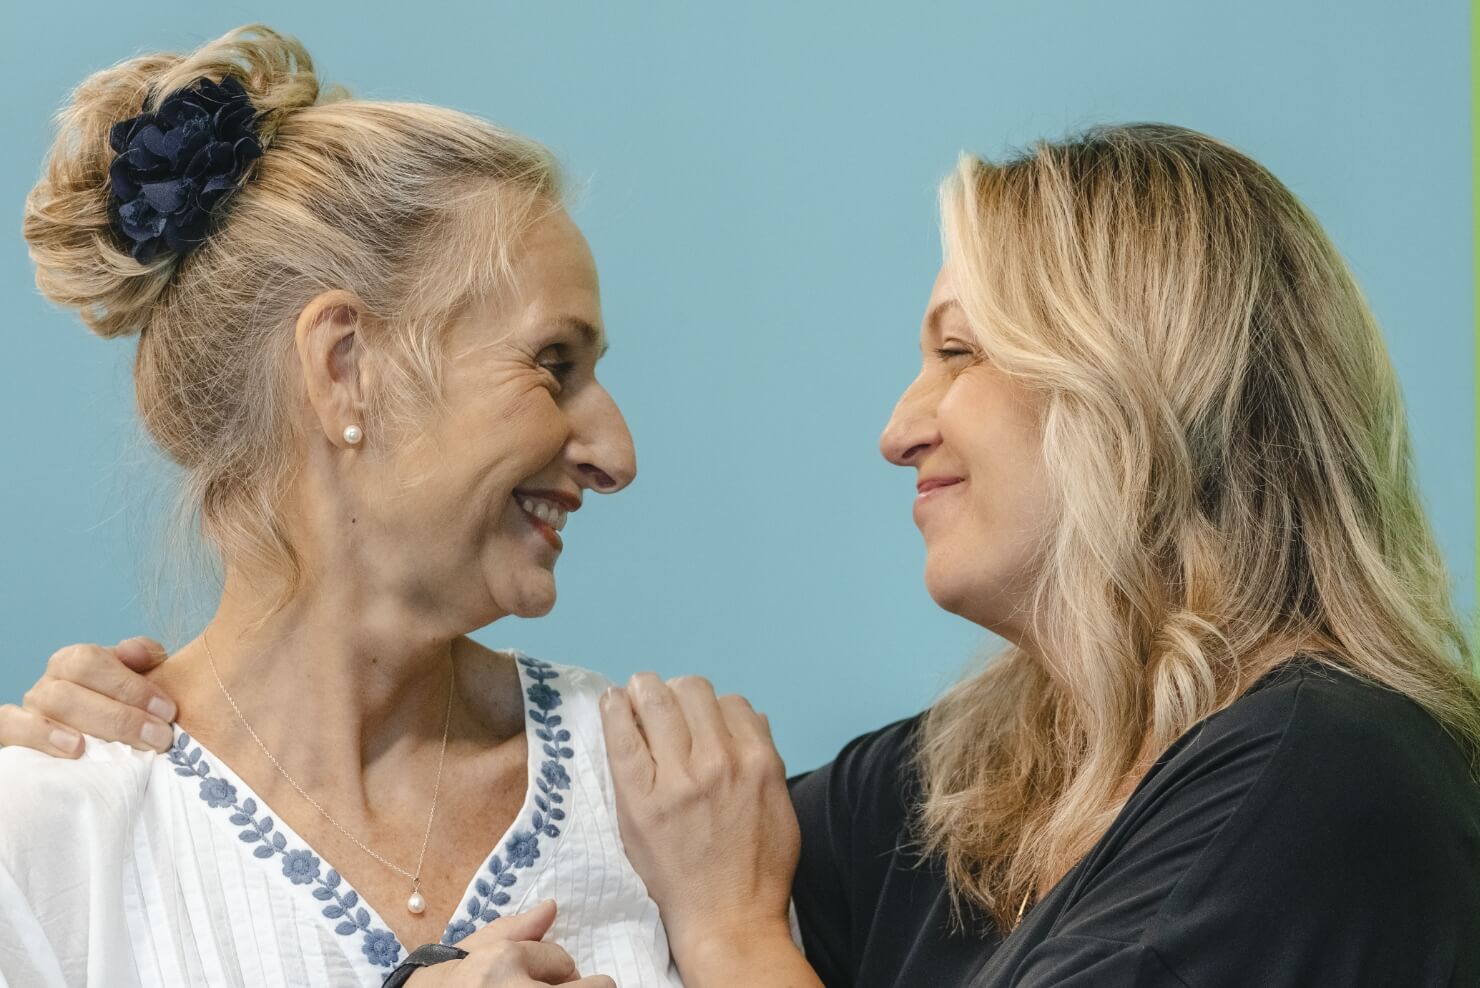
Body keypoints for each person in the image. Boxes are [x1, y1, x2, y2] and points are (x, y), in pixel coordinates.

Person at [10, 118, 1480, 988]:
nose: (898, 427)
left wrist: (728, 937)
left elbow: (731, 890)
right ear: (343, 370)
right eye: (554, 364)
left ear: (1138, 391)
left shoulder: (1320, 781)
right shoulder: (963, 789)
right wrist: (127, 754)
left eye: (958, 349)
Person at [0, 23, 703, 988]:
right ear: (345, 368)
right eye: (553, 363)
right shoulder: (46, 840)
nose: (615, 455)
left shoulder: (664, 792)